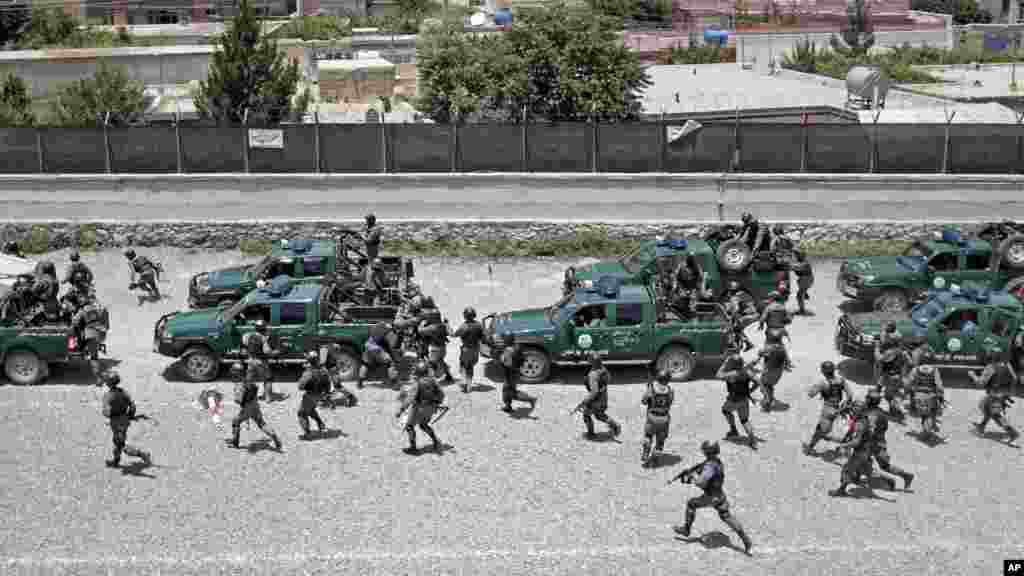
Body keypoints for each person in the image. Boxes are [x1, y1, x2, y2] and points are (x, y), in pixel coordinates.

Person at [672, 440, 753, 555]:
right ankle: (746, 539)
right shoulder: (717, 462)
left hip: (710, 497)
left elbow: (701, 482)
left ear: (707, 451)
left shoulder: (709, 466)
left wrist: (691, 478)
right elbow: (708, 472)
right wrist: (694, 471)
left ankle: (686, 529)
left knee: (691, 504)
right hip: (720, 495)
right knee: (726, 516)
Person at [803, 361, 857, 455]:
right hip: (839, 408)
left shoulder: (823, 383)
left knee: (820, 431)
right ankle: (844, 446)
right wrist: (844, 406)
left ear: (823, 372)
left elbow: (811, 394)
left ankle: (809, 448)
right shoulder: (841, 380)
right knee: (832, 430)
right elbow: (850, 395)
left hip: (828, 409)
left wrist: (812, 387)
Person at [101, 373, 151, 468]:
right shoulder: (124, 392)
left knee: (121, 445)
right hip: (124, 420)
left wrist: (109, 415)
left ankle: (143, 454)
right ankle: (116, 461)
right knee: (117, 442)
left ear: (108, 383)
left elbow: (106, 412)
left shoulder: (108, 396)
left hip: (116, 422)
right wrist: (130, 416)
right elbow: (132, 406)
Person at [229, 362, 282, 450]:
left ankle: (235, 442)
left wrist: (237, 401)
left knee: (236, 422)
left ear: (236, 373)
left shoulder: (239, 385)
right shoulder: (249, 380)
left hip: (247, 408)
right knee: (261, 423)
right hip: (255, 404)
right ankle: (274, 436)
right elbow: (255, 389)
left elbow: (238, 400)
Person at [396, 361, 444, 454]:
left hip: (419, 408)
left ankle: (413, 447)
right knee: (424, 425)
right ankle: (436, 441)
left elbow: (410, 398)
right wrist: (437, 403)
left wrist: (401, 410)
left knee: (409, 426)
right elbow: (441, 394)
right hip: (431, 408)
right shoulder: (433, 381)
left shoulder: (417, 383)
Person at [970, 350, 1020, 441]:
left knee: (994, 413)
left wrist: (973, 375)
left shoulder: (990, 367)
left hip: (994, 394)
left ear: (992, 357)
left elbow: (980, 383)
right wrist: (1009, 392)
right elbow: (1015, 379)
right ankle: (981, 426)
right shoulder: (1007, 365)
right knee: (986, 407)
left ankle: (1012, 432)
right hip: (1004, 393)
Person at [715, 354, 759, 448]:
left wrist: (725, 363)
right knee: (744, 420)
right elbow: (758, 381)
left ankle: (733, 429)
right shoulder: (747, 372)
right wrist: (750, 391)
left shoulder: (731, 374)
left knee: (725, 411)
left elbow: (718, 375)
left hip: (733, 400)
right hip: (744, 399)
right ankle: (752, 440)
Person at [576, 352, 621, 438]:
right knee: (600, 415)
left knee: (586, 415)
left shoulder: (593, 374)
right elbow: (608, 379)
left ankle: (591, 433)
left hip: (595, 400)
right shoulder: (603, 369)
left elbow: (594, 392)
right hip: (603, 397)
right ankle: (615, 425)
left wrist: (585, 402)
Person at [641, 369, 675, 466]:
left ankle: (646, 453)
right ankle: (655, 459)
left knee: (648, 436)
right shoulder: (671, 390)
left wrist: (648, 390)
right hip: (664, 418)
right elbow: (670, 402)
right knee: (660, 441)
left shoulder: (652, 389)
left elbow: (644, 401)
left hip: (652, 417)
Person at [904, 363, 944, 438]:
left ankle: (927, 430)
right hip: (931, 395)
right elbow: (939, 385)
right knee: (932, 412)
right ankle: (928, 430)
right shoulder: (934, 370)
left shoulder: (915, 370)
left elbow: (908, 383)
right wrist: (941, 396)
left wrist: (907, 392)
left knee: (924, 414)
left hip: (919, 395)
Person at [296, 351, 330, 440]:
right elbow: (328, 383)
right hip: (321, 395)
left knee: (301, 413)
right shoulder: (324, 370)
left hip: (310, 395)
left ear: (309, 361)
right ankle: (321, 424)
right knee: (310, 409)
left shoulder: (308, 372)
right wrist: (326, 395)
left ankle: (307, 433)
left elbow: (300, 386)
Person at [499, 334, 537, 413]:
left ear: (507, 341)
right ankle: (508, 407)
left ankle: (530, 399)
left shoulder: (508, 350)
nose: (503, 342)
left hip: (510, 373)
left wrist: (501, 360)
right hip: (515, 372)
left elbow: (506, 363)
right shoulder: (517, 347)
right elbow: (522, 359)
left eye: (504, 340)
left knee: (511, 392)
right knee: (507, 390)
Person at [757, 329, 791, 412]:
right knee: (769, 386)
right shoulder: (782, 349)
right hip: (778, 372)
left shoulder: (768, 348)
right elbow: (787, 361)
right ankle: (770, 399)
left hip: (769, 371)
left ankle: (767, 404)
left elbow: (760, 353)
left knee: (763, 386)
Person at [242, 320, 277, 401]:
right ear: (264, 329)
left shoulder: (248, 336)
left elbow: (244, 342)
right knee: (268, 379)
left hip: (250, 361)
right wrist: (273, 352)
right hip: (261, 361)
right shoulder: (263, 338)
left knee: (249, 379)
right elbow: (266, 351)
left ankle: (248, 396)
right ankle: (268, 397)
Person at [875, 345, 911, 419]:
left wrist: (877, 348)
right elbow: (910, 363)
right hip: (898, 377)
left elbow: (879, 359)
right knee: (891, 394)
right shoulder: (902, 353)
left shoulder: (889, 352)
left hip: (890, 377)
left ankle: (900, 409)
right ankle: (894, 411)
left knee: (888, 396)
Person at [358, 323, 398, 389]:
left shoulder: (380, 325)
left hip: (368, 345)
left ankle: (359, 383)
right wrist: (393, 357)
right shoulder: (390, 332)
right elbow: (390, 346)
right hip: (376, 348)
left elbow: (370, 333)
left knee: (365, 364)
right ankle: (394, 384)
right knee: (390, 363)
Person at [454, 307, 484, 393]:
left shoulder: (464, 326)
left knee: (463, 365)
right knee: (470, 367)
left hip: (466, 349)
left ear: (465, 316)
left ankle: (465, 383)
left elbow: (455, 334)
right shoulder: (479, 325)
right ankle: (469, 386)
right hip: (476, 349)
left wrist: (447, 327)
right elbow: (483, 337)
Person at [792, 251, 814, 316]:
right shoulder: (801, 262)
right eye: (796, 255)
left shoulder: (805, 263)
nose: (796, 257)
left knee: (799, 295)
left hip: (806, 279)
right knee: (800, 295)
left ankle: (802, 310)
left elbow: (798, 267)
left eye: (798, 255)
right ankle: (802, 309)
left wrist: (790, 266)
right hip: (805, 280)